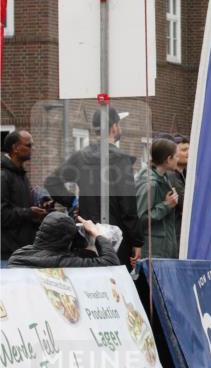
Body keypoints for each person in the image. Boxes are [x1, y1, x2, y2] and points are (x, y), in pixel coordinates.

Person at [45, 107, 143, 270]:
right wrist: (137, 241)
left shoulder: (80, 157)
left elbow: (52, 182)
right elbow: (128, 207)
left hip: (87, 235)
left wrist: (74, 202)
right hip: (116, 238)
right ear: (113, 127)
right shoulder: (121, 161)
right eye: (119, 124)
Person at [8, 212, 121, 268]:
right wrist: (96, 233)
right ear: (67, 241)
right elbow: (111, 263)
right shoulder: (64, 262)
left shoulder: (18, 255)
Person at [1, 130, 49, 259]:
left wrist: (42, 210)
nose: (32, 149)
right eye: (29, 145)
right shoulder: (3, 176)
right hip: (7, 254)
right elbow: (2, 215)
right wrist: (29, 212)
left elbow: (21, 207)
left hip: (22, 251)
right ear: (15, 148)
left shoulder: (20, 174)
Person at [136, 138, 179, 259]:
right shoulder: (150, 184)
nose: (178, 159)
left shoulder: (164, 179)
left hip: (162, 250)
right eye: (176, 156)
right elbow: (140, 218)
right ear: (168, 159)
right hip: (153, 252)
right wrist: (166, 205)